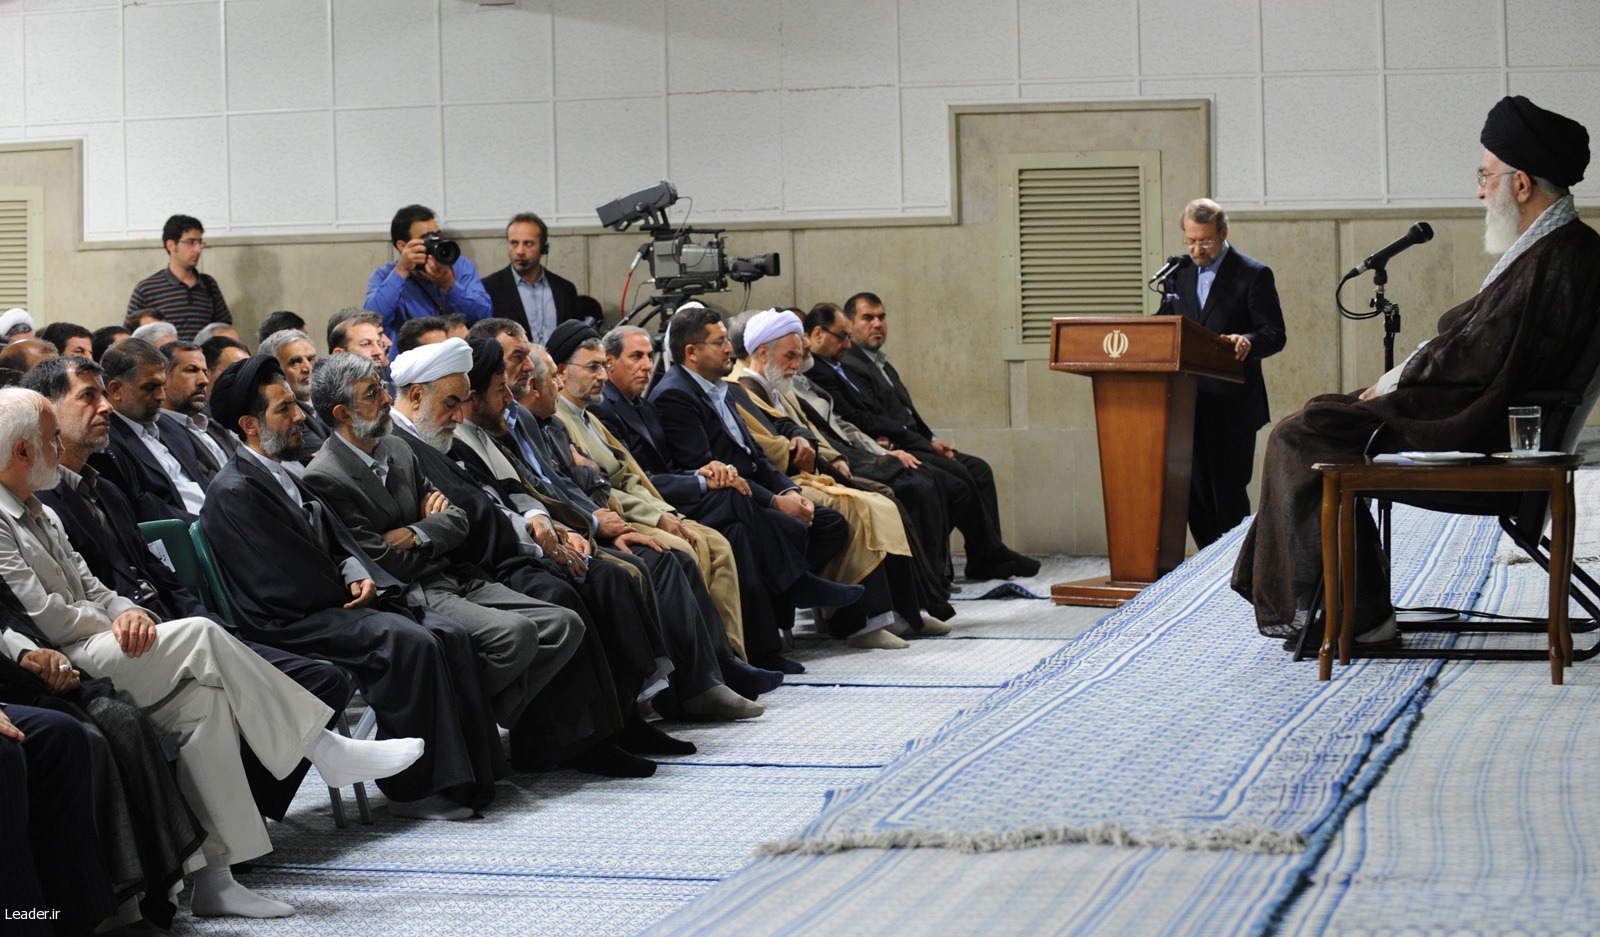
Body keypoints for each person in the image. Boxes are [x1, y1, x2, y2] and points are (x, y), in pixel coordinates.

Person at [0, 386, 423, 918]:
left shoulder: (41, 510)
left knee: (205, 705)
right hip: (61, 657)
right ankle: (322, 746)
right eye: (49, 438)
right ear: (22, 451)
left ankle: (216, 881)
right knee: (201, 634)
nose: (58, 446)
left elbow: (96, 588)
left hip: (104, 640)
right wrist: (111, 617)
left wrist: (130, 612)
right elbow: (45, 616)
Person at [1234, 95, 1600, 647]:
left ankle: (1360, 619)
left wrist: (1396, 385)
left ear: (1522, 185)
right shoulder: (1560, 248)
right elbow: (1483, 349)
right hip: (1500, 425)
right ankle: (1346, 608)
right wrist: (1393, 385)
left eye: (1486, 176)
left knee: (1302, 435)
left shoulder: (1559, 258)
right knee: (1322, 419)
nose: (1480, 191)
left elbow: (1477, 360)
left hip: (1492, 440)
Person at [24, 353, 350, 827]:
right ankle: (233, 813)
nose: (106, 407)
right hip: (126, 642)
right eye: (88, 397)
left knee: (322, 679)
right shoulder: (41, 503)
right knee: (302, 683)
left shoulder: (106, 488)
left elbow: (160, 577)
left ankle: (232, 817)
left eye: (103, 395)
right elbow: (82, 595)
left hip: (173, 627)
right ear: (49, 411)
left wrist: (211, 623)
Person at [200, 355, 507, 819]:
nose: (300, 416)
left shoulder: (284, 471)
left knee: (449, 633)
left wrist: (354, 570)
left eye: (294, 404)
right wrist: (348, 583)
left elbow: (334, 543)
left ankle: (476, 779)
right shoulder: (235, 491)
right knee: (407, 642)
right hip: (288, 619)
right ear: (249, 425)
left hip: (327, 602)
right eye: (284, 409)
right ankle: (412, 792)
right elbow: (280, 578)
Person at [386, 339, 699, 777]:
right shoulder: (400, 444)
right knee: (561, 594)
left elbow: (503, 488)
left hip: (502, 551)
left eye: (462, 403)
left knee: (608, 580)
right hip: (471, 566)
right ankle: (574, 739)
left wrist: (542, 521)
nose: (459, 415)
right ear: (417, 395)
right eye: (452, 403)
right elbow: (465, 518)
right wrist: (537, 541)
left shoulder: (434, 434)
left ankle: (624, 719)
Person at [302, 351, 586, 732]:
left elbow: (458, 521)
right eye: (372, 393)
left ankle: (464, 714)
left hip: (453, 576)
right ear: (343, 414)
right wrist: (434, 530)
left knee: (565, 624)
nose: (387, 398)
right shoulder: (324, 476)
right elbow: (383, 562)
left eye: (381, 387)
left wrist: (417, 533)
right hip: (412, 594)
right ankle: (464, 722)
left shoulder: (398, 448)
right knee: (516, 636)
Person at [548, 321, 750, 659]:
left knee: (719, 545)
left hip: (645, 507)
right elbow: (602, 489)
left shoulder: (587, 416)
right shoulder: (560, 419)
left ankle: (733, 655)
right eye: (594, 367)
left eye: (603, 366)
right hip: (617, 516)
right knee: (684, 548)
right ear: (562, 371)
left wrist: (664, 512)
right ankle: (705, 664)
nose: (603, 376)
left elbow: (630, 476)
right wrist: (657, 517)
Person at [806, 295, 1040, 581]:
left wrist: (931, 439)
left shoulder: (875, 364)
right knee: (948, 480)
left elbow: (907, 413)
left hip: (899, 443)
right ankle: (949, 566)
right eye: (868, 318)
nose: (877, 324)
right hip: (877, 451)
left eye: (881, 317)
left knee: (976, 469)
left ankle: (985, 555)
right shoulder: (842, 365)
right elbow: (859, 418)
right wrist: (904, 446)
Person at [1157, 198, 1288, 549]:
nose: (1197, 249)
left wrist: (1247, 341)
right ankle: (1207, 561)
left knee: (1227, 494)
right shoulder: (1178, 274)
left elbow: (1274, 334)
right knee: (1192, 494)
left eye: (1205, 241)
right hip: (1187, 402)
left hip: (1233, 405)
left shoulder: (1253, 274)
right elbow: (1166, 326)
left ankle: (1234, 564)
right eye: (1190, 241)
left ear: (1224, 233)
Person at [96, 338, 210, 522]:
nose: (161, 396)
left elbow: (202, 482)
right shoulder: (105, 441)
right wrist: (210, 526)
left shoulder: (170, 425)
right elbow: (144, 510)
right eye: (150, 387)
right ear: (116, 389)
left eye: (162, 386)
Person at [365, 205, 492, 356]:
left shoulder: (459, 266)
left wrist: (450, 285)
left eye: (437, 235)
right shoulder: (385, 275)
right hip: (410, 360)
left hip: (457, 357)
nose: (434, 242)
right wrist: (402, 270)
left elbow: (484, 315)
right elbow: (372, 321)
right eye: (426, 238)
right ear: (403, 246)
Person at [482, 212, 583, 345]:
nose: (520, 251)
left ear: (543, 247)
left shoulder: (565, 289)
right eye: (514, 243)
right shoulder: (490, 288)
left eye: (528, 244)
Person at [125, 214, 231, 340]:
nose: (198, 249)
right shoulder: (146, 289)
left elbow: (224, 329)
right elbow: (129, 337)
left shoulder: (209, 284)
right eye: (191, 242)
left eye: (200, 242)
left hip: (202, 353)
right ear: (171, 245)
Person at [161, 339, 239, 476]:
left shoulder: (214, 426)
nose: (204, 381)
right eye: (192, 370)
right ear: (163, 377)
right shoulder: (160, 434)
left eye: (205, 372)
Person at [260, 328, 329, 459]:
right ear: (274, 371)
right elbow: (327, 458)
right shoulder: (287, 415)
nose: (308, 368)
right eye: (295, 362)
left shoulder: (328, 396)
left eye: (311, 359)